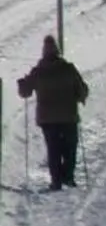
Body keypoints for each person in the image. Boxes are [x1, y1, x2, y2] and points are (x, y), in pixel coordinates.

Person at [16, 34, 88, 190]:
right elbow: (81, 90)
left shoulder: (38, 71)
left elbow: (25, 92)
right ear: (58, 51)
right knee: (70, 148)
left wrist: (21, 84)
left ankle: (56, 181)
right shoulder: (69, 69)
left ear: (43, 52)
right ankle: (68, 177)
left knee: (53, 148)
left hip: (47, 119)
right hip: (69, 116)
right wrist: (81, 96)